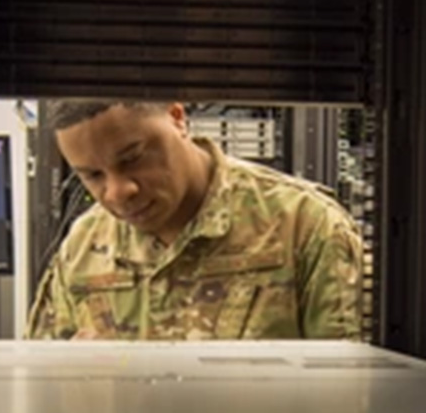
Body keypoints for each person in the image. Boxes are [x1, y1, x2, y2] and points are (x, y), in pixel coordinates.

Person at [26, 100, 364, 341]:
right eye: (92, 175)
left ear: (177, 117)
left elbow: (353, 404)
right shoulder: (83, 245)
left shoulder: (305, 226)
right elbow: (38, 399)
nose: (117, 191)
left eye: (132, 159)